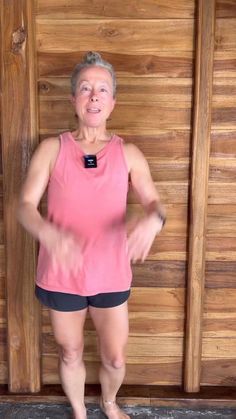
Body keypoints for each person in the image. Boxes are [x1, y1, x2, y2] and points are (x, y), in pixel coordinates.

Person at [17, 52, 166, 419]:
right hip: (61, 274)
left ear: (113, 102)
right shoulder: (52, 149)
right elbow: (24, 206)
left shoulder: (129, 153)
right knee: (69, 352)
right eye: (85, 88)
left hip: (111, 274)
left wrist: (153, 221)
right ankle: (79, 412)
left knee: (115, 357)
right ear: (74, 100)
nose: (94, 96)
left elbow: (156, 206)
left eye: (102, 89)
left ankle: (110, 402)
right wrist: (46, 233)